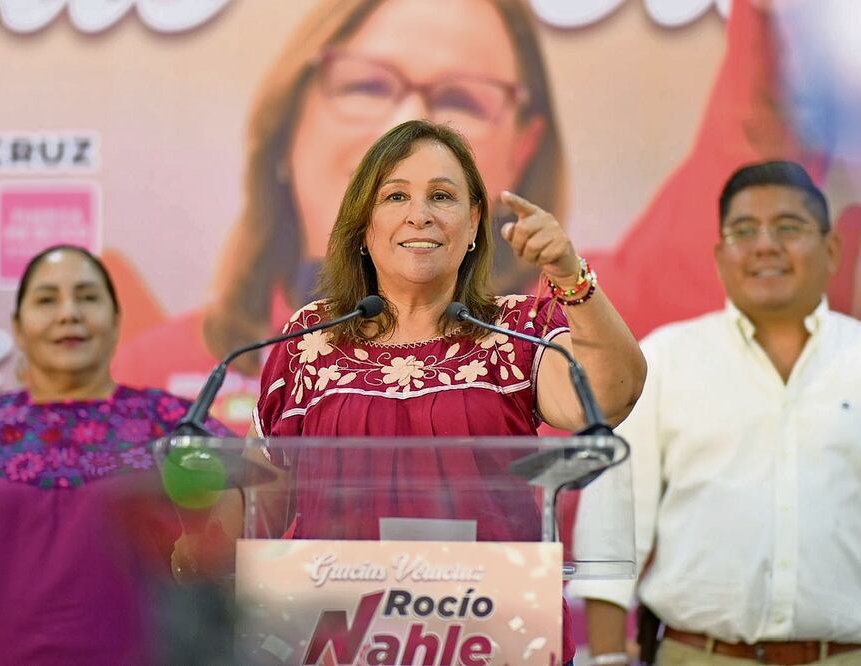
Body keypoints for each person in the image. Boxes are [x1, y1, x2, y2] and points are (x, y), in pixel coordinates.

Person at [245, 119, 646, 664]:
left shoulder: (516, 330)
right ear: (363, 226)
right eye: (395, 196)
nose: (420, 214)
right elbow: (262, 503)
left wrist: (568, 273)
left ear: (474, 222)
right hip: (335, 639)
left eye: (441, 196)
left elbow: (611, 395)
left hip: (493, 640)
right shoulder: (311, 339)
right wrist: (201, 526)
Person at [112, 0, 566, 431]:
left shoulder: (531, 334)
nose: (402, 124)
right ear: (288, 121)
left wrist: (572, 278)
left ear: (522, 149)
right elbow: (262, 481)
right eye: (366, 86)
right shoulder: (170, 361)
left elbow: (601, 397)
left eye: (462, 99)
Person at [569, 161, 861, 665]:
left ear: (831, 250)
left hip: (846, 655)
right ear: (720, 256)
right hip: (697, 655)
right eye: (744, 231)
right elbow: (612, 525)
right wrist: (606, 659)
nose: (765, 246)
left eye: (789, 228)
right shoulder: (664, 360)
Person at [0, 245, 230, 665]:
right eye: (47, 299)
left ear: (116, 320)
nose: (69, 313)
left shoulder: (178, 425)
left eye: (87, 297)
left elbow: (253, 525)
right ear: (18, 327)